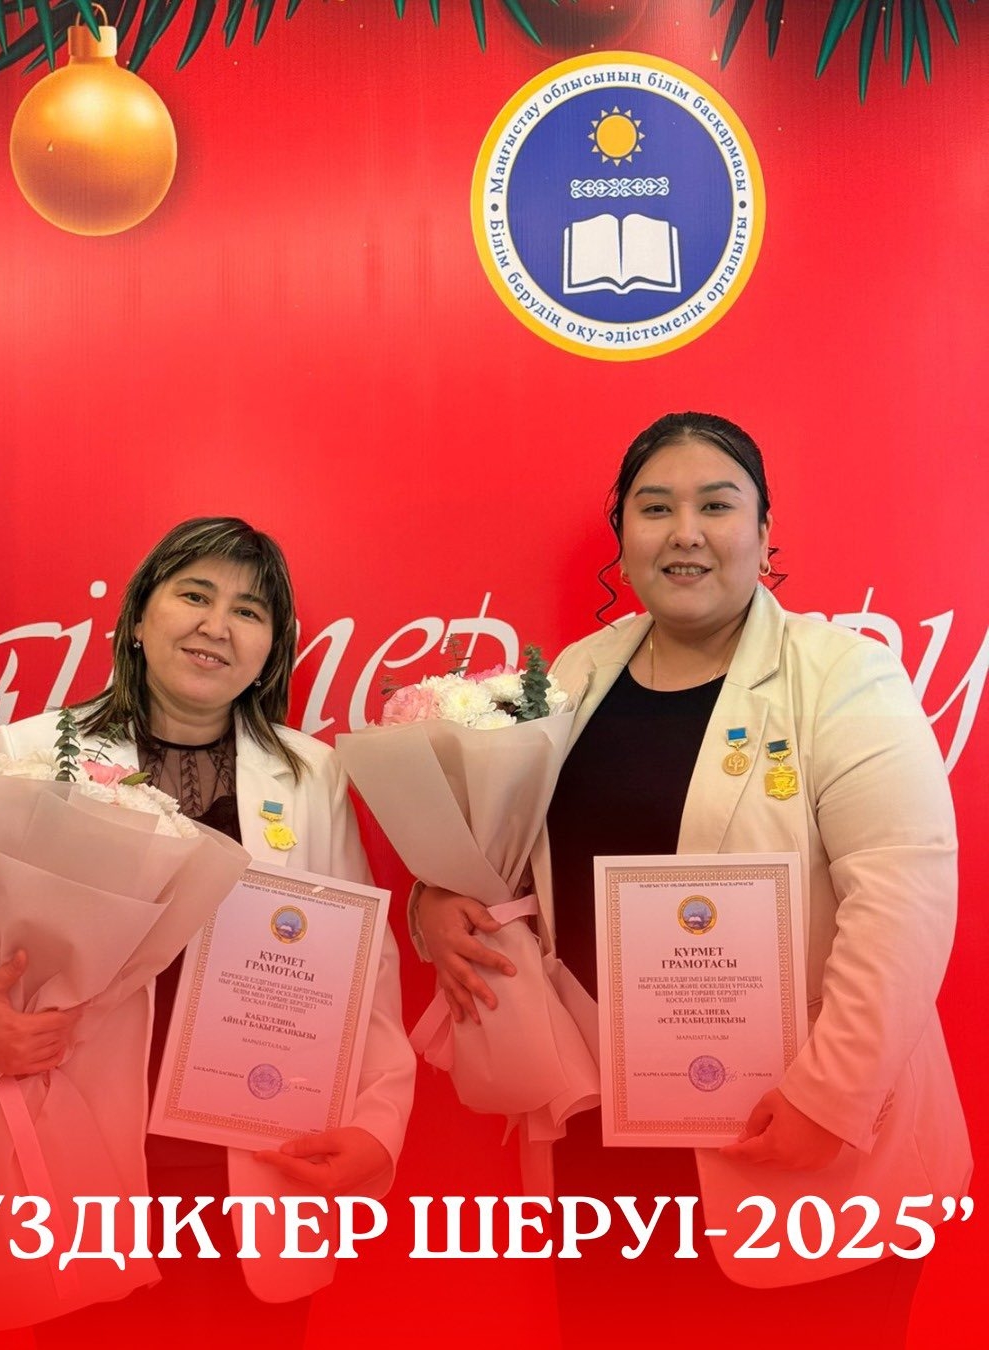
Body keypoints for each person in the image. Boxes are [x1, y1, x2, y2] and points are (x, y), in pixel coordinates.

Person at [415, 412, 970, 1347]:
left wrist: (830, 1097)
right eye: (654, 508)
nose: (685, 533)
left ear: (763, 529)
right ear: (623, 535)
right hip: (608, 1147)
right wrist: (438, 900)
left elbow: (902, 900)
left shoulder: (843, 675)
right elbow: (504, 852)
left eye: (716, 506)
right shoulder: (576, 676)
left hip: (797, 1137)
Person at [0, 516, 415, 1343]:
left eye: (249, 611)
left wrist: (377, 1122)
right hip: (78, 1147)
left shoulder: (308, 773)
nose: (217, 625)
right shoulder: (35, 750)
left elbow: (363, 964)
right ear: (139, 618)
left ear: (272, 649)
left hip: (255, 1156)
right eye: (194, 595)